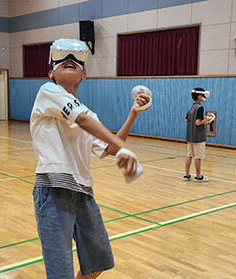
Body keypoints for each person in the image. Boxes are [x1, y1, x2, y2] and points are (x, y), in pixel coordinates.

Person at [29, 39, 150, 279]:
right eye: (62, 60)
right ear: (51, 72)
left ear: (84, 74)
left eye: (75, 61)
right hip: (53, 190)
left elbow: (109, 148)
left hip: (84, 192)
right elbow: (84, 121)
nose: (69, 61)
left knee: (98, 261)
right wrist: (124, 148)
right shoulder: (48, 91)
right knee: (59, 271)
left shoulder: (89, 115)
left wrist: (132, 114)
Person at [184, 87, 213, 182]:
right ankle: (198, 176)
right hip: (198, 136)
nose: (204, 98)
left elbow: (186, 120)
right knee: (198, 157)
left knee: (189, 155)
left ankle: (187, 175)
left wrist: (202, 119)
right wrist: (207, 120)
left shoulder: (191, 107)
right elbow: (197, 122)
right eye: (203, 96)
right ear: (200, 96)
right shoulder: (200, 107)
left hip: (190, 136)